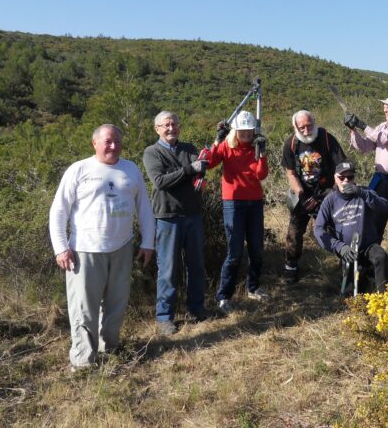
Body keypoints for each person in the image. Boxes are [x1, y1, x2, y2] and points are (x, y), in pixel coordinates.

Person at [49, 124, 155, 370]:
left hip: (122, 247)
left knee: (116, 303)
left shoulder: (130, 169)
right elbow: (59, 210)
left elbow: (144, 208)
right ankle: (83, 361)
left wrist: (148, 242)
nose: (113, 146)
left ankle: (110, 348)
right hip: (85, 250)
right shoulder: (79, 169)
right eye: (108, 141)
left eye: (117, 141)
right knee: (84, 308)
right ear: (95, 143)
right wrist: (60, 247)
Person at [142, 111, 209, 336]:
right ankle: (164, 317)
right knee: (168, 269)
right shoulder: (152, 152)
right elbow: (160, 181)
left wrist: (186, 172)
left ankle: (196, 308)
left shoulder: (189, 149)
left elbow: (199, 170)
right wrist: (188, 170)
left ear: (179, 127)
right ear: (157, 129)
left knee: (196, 265)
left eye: (174, 124)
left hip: (193, 214)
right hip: (167, 217)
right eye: (166, 125)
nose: (171, 128)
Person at [208, 110, 269, 315]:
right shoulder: (227, 145)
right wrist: (217, 140)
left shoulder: (256, 146)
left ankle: (253, 288)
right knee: (234, 253)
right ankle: (224, 296)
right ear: (235, 130)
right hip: (233, 203)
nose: (246, 134)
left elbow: (261, 174)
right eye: (242, 131)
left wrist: (262, 153)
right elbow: (209, 163)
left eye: (249, 131)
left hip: (254, 202)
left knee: (256, 249)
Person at [281, 110, 347, 284]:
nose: (306, 130)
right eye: (301, 127)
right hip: (303, 193)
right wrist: (300, 194)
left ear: (314, 122)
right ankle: (291, 266)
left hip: (326, 192)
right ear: (295, 127)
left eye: (309, 125)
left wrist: (336, 191)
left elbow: (341, 166)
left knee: (336, 228)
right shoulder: (291, 143)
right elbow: (290, 172)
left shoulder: (326, 138)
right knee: (294, 231)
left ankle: (345, 263)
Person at [344, 94, 388, 263]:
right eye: (385, 106)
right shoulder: (380, 126)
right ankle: (373, 259)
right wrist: (353, 129)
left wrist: (363, 125)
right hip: (381, 179)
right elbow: (364, 147)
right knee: (376, 219)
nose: (385, 109)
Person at [313, 161, 388, 293]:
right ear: (335, 178)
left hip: (368, 245)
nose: (346, 181)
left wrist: (362, 193)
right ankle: (357, 285)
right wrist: (339, 247)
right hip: (348, 249)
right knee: (351, 288)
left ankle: (382, 295)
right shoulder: (330, 200)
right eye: (341, 177)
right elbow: (318, 229)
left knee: (380, 256)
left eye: (350, 177)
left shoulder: (365, 192)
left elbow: (384, 207)